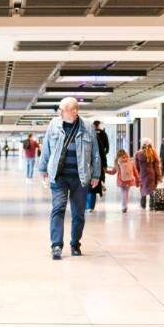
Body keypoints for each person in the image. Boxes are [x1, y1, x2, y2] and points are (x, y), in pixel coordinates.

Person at [38, 96, 100, 259]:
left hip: (81, 177)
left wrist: (96, 174)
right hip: (59, 176)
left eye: (62, 110)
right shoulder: (54, 124)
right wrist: (43, 168)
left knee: (78, 213)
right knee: (58, 208)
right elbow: (46, 147)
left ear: (74, 112)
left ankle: (75, 243)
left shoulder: (87, 126)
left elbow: (95, 152)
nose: (59, 112)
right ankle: (56, 244)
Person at [86, 120, 110, 212]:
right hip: (96, 163)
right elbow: (104, 149)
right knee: (93, 185)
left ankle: (87, 205)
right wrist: (104, 164)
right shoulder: (99, 135)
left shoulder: (79, 137)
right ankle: (90, 206)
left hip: (86, 165)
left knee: (85, 186)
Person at [135, 139, 162, 209]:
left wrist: (137, 175)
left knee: (143, 187)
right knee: (152, 189)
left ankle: (142, 204)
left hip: (142, 174)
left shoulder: (138, 154)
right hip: (151, 174)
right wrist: (159, 177)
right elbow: (156, 167)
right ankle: (151, 205)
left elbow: (136, 167)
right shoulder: (153, 153)